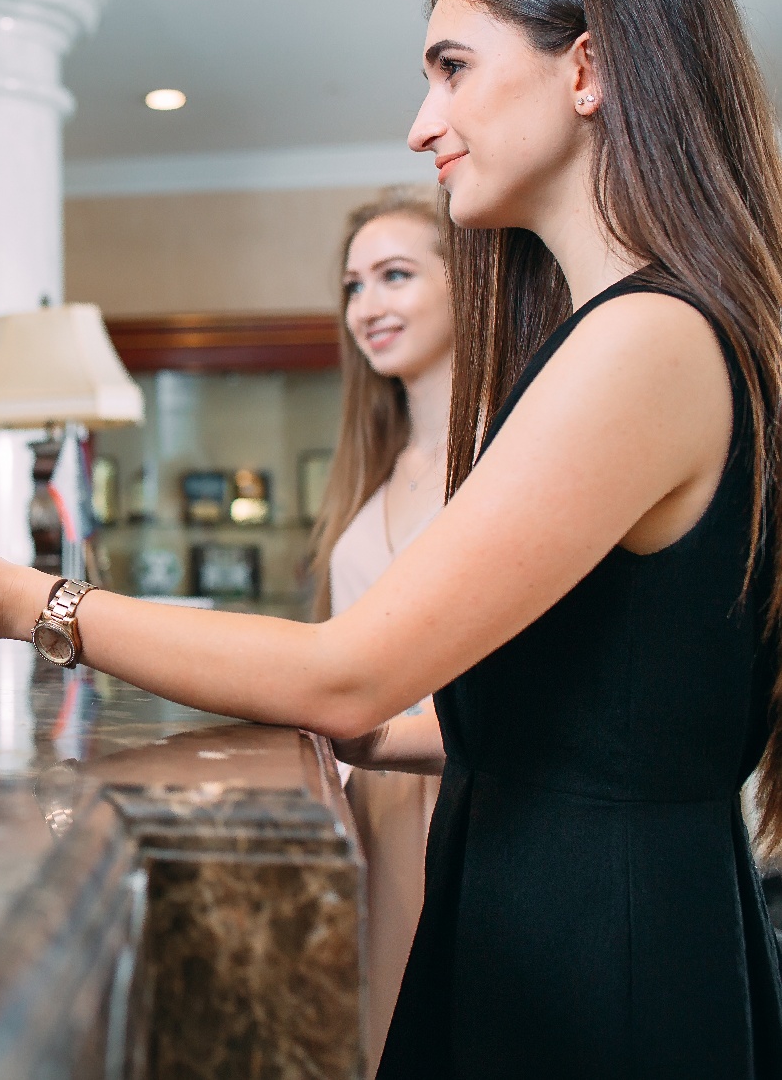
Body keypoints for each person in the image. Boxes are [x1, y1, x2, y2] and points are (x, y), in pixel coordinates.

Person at [0, 0, 782, 1075]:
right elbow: (594, 709)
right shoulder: (627, 333)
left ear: (585, 69)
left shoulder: (645, 338)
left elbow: (347, 672)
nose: (421, 123)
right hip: (562, 907)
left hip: (599, 942)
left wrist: (32, 601)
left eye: (451, 68)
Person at [309, 188, 451, 1077]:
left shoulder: (512, 450)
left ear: (466, 280)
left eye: (394, 274)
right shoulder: (373, 463)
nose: (368, 305)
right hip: (374, 803)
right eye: (354, 286)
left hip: (466, 794)